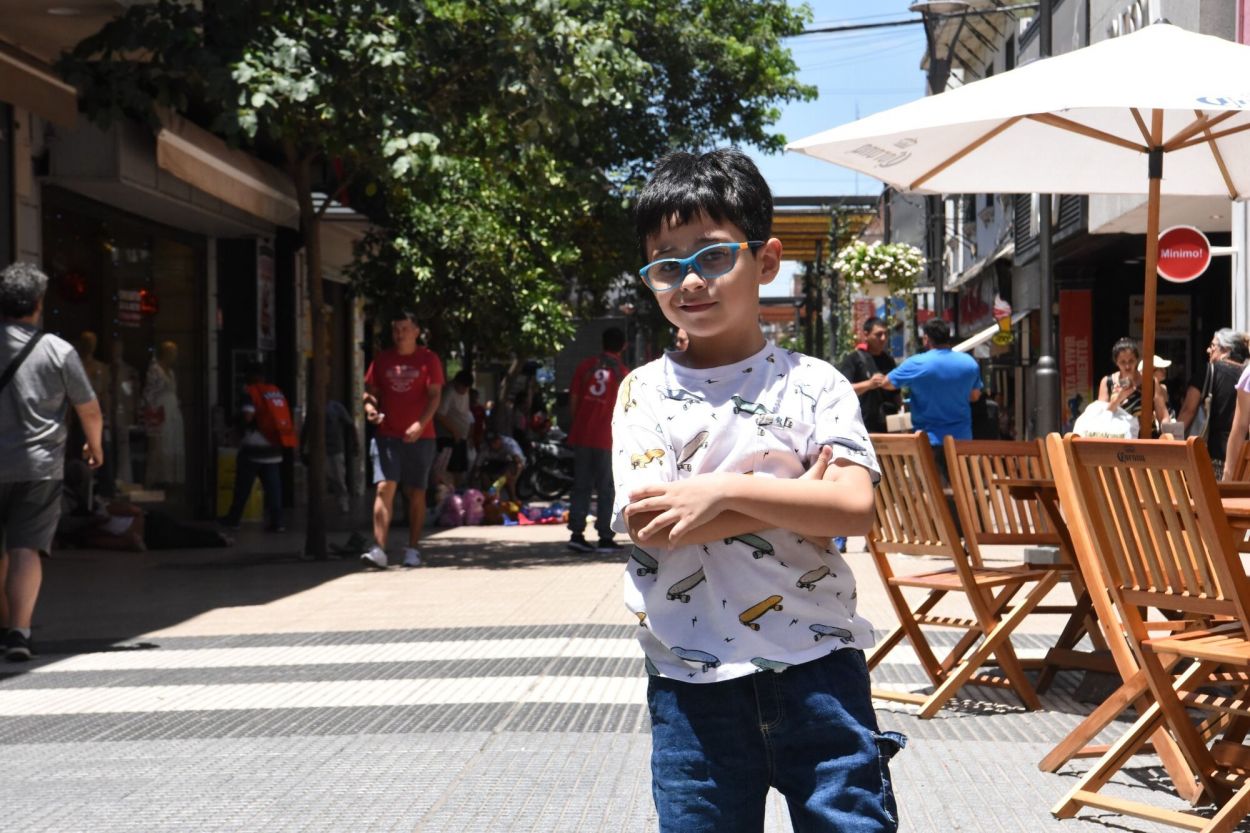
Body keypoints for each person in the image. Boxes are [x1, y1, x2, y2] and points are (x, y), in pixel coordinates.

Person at [613, 148, 899, 832]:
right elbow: (654, 524)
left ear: (766, 261)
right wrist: (793, 493)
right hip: (692, 683)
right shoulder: (643, 392)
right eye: (666, 265)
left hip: (819, 668)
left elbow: (853, 506)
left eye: (713, 256)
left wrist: (711, 494)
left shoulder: (816, 383)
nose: (691, 281)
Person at [0, 263, 103, 662]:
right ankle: (19, 632)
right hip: (38, 468)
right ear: (38, 304)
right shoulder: (59, 351)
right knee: (25, 548)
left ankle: (4, 623)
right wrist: (94, 446)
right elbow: (88, 408)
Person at [360, 310, 444, 569]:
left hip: (421, 437)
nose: (400, 334)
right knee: (384, 487)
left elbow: (435, 396)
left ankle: (413, 548)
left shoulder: (429, 359)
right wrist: (370, 409)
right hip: (387, 436)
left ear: (417, 331)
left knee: (415, 492)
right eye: (396, 329)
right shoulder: (383, 360)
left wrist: (421, 423)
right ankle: (379, 549)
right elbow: (370, 393)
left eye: (405, 328)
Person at [883, 318, 981, 482]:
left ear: (926, 338)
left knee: (933, 491)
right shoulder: (969, 363)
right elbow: (975, 396)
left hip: (929, 440)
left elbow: (888, 384)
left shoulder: (917, 363)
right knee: (961, 489)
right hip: (962, 439)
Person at [566, 327, 629, 553]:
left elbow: (573, 399)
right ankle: (605, 537)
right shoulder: (623, 373)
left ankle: (576, 534)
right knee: (607, 488)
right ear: (623, 346)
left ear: (602, 342)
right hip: (608, 439)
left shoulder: (586, 366)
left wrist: (578, 423)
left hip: (582, 435)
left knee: (581, 486)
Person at [220, 365, 294, 532]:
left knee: (242, 486)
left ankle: (233, 519)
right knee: (273, 488)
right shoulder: (275, 392)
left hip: (254, 447)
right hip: (274, 446)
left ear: (251, 376)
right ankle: (277, 522)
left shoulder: (250, 392)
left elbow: (248, 416)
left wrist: (237, 425)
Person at [1179, 328, 1247, 478]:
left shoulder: (1208, 371)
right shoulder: (1246, 375)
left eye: (1213, 346)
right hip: (1243, 459)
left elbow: (1188, 410)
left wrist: (1171, 442)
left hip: (1211, 457)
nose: (1208, 350)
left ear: (1227, 349)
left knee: (1211, 493)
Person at [838, 316, 900, 435]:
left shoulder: (889, 360)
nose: (883, 338)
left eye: (886, 334)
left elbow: (897, 393)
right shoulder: (854, 359)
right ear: (866, 335)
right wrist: (869, 384)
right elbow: (843, 390)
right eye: (878, 334)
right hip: (863, 427)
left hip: (889, 426)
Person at [1096, 337, 1170, 432]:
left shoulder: (1150, 382)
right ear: (1116, 362)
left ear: (1137, 360)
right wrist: (1119, 398)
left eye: (1131, 361)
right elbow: (1102, 417)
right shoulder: (1107, 382)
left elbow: (1163, 416)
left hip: (1147, 437)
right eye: (1123, 362)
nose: (1127, 366)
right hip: (1118, 437)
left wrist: (1166, 434)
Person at [141, 339, 185, 486]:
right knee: (160, 445)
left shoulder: (171, 373)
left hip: (172, 413)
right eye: (172, 353)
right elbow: (148, 394)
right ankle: (159, 478)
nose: (175, 356)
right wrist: (152, 414)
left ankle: (170, 479)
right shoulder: (155, 370)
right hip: (160, 413)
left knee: (172, 444)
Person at [435, 370, 475, 488]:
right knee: (448, 469)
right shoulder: (449, 392)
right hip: (449, 437)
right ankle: (447, 494)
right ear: (457, 382)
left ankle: (458, 493)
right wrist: (454, 431)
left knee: (460, 469)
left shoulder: (466, 392)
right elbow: (439, 415)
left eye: (467, 388)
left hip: (461, 436)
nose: (464, 390)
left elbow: (465, 413)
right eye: (463, 387)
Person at [477, 430, 525, 501]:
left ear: (499, 439)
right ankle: (490, 498)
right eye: (490, 443)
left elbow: (518, 462)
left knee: (507, 479)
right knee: (484, 474)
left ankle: (512, 499)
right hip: (496, 463)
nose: (492, 445)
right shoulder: (485, 447)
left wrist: (514, 477)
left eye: (495, 442)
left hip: (513, 463)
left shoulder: (509, 444)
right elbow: (477, 466)